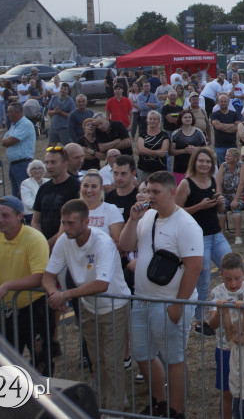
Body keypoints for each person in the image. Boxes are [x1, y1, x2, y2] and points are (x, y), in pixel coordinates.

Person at [118, 171, 203, 419]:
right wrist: (133, 220)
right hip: (143, 300)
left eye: (155, 192)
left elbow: (194, 266)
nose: (149, 196)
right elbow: (125, 245)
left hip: (169, 302)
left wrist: (178, 304)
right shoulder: (146, 217)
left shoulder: (186, 224)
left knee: (173, 358)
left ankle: (177, 410)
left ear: (171, 193)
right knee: (142, 354)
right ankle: (160, 401)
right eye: (147, 191)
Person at [41, 198, 131, 410]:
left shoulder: (103, 242)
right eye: (64, 223)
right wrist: (55, 293)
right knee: (96, 359)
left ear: (86, 222)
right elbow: (47, 276)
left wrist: (66, 295)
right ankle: (104, 403)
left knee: (112, 361)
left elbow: (102, 283)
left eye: (71, 223)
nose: (66, 228)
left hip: (114, 306)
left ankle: (114, 409)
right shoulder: (64, 241)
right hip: (88, 306)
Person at [0, 196, 54, 374]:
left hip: (35, 307)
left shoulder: (34, 238)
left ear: (19, 216)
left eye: (5, 216)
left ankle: (44, 398)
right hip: (7, 308)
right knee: (5, 359)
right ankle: (11, 396)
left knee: (41, 358)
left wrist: (6, 286)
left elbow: (39, 276)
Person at [173, 147, 229, 335]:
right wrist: (199, 206)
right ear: (195, 163)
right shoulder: (186, 184)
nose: (204, 165)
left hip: (216, 234)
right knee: (203, 280)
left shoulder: (213, 180)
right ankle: (199, 321)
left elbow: (219, 208)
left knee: (230, 266)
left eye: (207, 162)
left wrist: (220, 202)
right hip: (198, 238)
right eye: (201, 161)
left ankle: (230, 309)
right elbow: (176, 211)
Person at [207, 252, 244, 419]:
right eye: (228, 279)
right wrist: (220, 311)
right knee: (227, 392)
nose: (233, 283)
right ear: (221, 275)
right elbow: (211, 324)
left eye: (237, 278)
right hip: (225, 348)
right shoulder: (217, 292)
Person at [31, 146, 81, 246]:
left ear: (65, 164)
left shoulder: (76, 187)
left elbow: (73, 223)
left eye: (53, 162)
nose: (49, 166)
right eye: (47, 162)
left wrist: (48, 244)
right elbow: (35, 221)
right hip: (43, 245)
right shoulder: (43, 188)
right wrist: (41, 242)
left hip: (67, 244)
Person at [2, 102, 36, 199]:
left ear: (16, 112)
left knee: (24, 195)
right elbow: (4, 140)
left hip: (22, 165)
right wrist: (7, 140)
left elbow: (10, 141)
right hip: (13, 165)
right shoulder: (14, 125)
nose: (7, 114)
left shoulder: (25, 124)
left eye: (9, 112)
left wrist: (7, 140)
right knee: (16, 194)